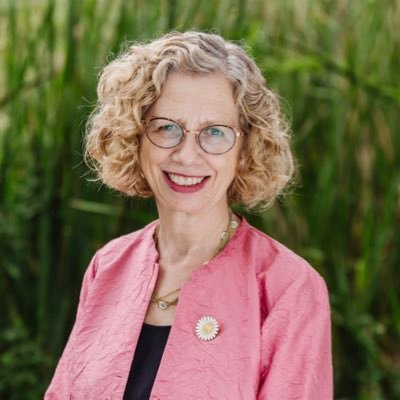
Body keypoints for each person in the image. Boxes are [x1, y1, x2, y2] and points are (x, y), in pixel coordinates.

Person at [45, 31, 333, 399]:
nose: (186, 155)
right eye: (166, 127)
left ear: (246, 148)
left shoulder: (288, 287)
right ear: (135, 136)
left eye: (214, 132)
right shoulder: (110, 265)